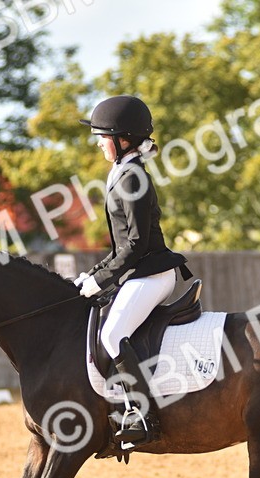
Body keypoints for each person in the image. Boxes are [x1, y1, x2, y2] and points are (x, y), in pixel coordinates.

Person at [75, 95, 191, 447]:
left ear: (122, 139)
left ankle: (141, 415)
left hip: (152, 275)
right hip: (137, 272)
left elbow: (137, 245)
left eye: (102, 136)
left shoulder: (131, 177)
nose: (98, 143)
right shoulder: (122, 171)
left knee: (113, 337)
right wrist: (92, 274)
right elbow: (120, 246)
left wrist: (100, 280)